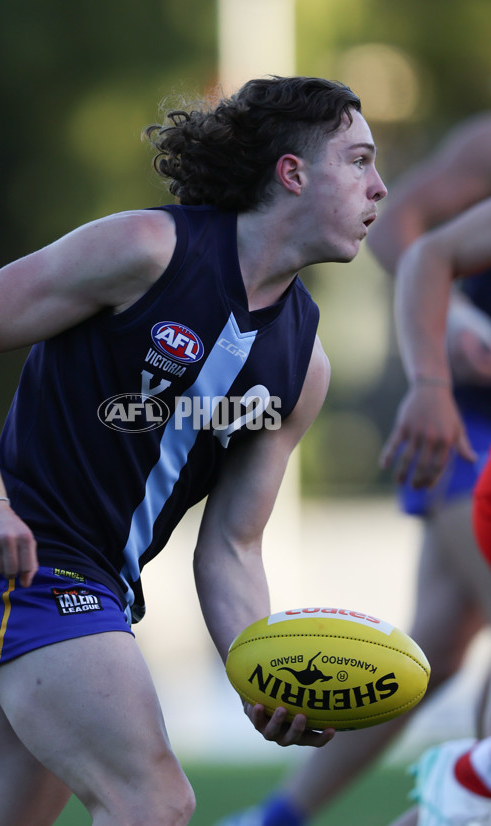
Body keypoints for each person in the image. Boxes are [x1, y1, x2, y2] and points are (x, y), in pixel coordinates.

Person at [0, 75, 387, 826]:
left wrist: (258, 675)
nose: (380, 187)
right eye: (360, 161)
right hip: (24, 570)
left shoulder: (305, 366)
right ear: (293, 174)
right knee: (154, 801)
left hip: (98, 592)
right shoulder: (148, 250)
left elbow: (232, 547)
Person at [214, 114, 491, 826]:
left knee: (439, 647)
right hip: (464, 426)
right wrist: (451, 327)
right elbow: (414, 235)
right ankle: (462, 795)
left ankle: (279, 817)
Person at [380, 196, 491, 826]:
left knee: (439, 645)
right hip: (472, 446)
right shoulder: (478, 148)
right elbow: (421, 246)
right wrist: (431, 381)